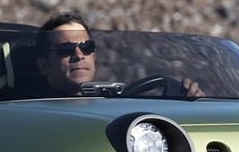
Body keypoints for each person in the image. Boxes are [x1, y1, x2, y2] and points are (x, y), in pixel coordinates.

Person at [33, 11, 202, 98]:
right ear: (44, 65)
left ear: (94, 56)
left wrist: (191, 101)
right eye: (65, 49)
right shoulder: (30, 113)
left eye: (86, 46)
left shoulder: (115, 101)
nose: (79, 55)